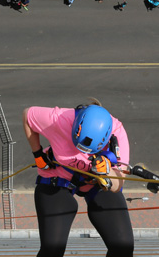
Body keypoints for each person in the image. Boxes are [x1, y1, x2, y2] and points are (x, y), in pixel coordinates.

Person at [23, 103, 133, 257]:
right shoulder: (59, 119)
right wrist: (38, 154)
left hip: (96, 182)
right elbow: (28, 115)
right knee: (52, 249)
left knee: (123, 247)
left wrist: (107, 177)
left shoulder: (117, 133)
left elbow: (119, 182)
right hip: (58, 177)